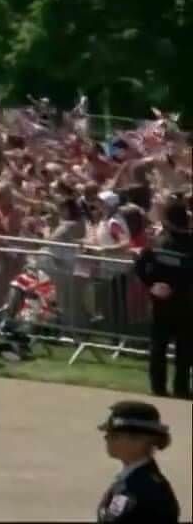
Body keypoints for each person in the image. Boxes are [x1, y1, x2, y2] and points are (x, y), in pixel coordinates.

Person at [133, 198, 192, 399]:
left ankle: (158, 388)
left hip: (162, 303)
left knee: (159, 346)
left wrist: (152, 285)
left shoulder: (157, 243)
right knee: (184, 350)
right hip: (186, 302)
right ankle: (181, 388)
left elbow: (140, 266)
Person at [95, 400, 179, 522]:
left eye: (114, 435)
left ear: (139, 441)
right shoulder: (136, 478)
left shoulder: (138, 488)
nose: (106, 438)